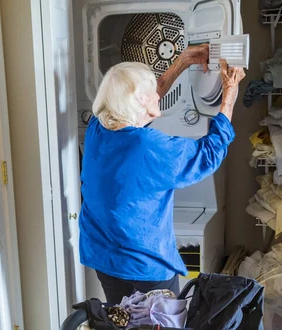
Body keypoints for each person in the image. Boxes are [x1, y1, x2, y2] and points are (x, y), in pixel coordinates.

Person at [79, 44, 245, 304]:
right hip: (145, 265)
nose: (158, 94)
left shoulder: (96, 129)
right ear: (141, 100)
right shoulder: (147, 146)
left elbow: (142, 101)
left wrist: (183, 61)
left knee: (123, 329)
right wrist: (229, 95)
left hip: (104, 257)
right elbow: (209, 153)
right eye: (151, 92)